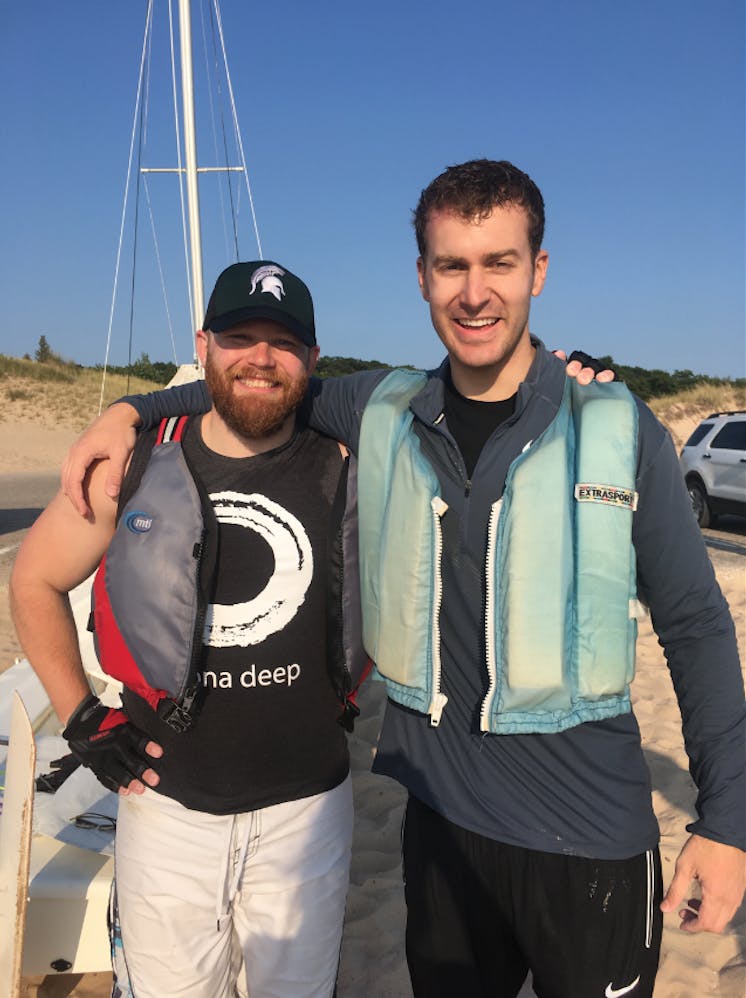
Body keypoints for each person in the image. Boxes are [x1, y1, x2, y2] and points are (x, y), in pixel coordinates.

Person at [60, 160, 745, 998]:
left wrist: (728, 823)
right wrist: (131, 408)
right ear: (421, 277)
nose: (475, 292)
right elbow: (258, 383)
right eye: (452, 265)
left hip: (591, 838)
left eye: (500, 262)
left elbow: (696, 623)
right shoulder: (384, 406)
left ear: (539, 269)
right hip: (443, 836)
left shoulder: (613, 423)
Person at [10, 261, 369, 998]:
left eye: (283, 341)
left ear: (313, 358)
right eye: (240, 336)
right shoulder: (134, 463)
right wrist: (81, 716)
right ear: (204, 344)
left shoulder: (351, 464)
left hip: (309, 815)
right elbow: (34, 581)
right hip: (166, 811)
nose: (260, 358)